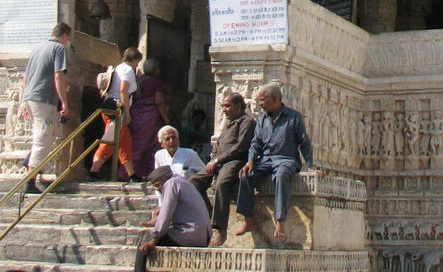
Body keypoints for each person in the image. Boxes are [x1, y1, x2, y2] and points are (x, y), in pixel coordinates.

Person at [236, 82, 323, 240]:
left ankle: (280, 221)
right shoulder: (262, 120)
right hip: (266, 159)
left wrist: (310, 166)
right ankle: (248, 219)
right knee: (245, 176)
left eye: (263, 100)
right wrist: (250, 161)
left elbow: (304, 143)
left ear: (275, 99)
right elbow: (256, 143)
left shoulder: (293, 117)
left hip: (286, 159)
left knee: (281, 176)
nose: (260, 104)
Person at [190, 92, 256, 246]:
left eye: (227, 106)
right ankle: (209, 214)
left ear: (238, 106)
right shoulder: (228, 123)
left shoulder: (247, 121)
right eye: (223, 106)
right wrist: (213, 158)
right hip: (218, 162)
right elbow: (219, 143)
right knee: (193, 181)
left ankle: (220, 229)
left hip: (235, 161)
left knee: (222, 183)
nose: (224, 109)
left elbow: (240, 147)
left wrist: (218, 160)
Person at [21, 22, 72, 194]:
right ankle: (29, 179)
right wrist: (64, 102)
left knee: (50, 133)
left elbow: (25, 78)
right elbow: (59, 76)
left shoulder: (37, 49)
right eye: (68, 39)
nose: (67, 42)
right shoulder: (58, 49)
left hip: (31, 97)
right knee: (43, 137)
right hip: (44, 98)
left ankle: (30, 160)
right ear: (64, 35)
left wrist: (23, 101)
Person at [135, 166, 211, 271]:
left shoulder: (171, 183)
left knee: (143, 244)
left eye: (159, 186)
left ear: (167, 177)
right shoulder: (182, 182)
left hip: (190, 234)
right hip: (202, 236)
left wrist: (153, 240)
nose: (160, 190)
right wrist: (156, 220)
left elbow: (166, 214)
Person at [89, 46, 143, 182]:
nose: (138, 65)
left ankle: (132, 174)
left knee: (124, 142)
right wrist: (128, 113)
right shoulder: (128, 70)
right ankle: (93, 171)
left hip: (111, 107)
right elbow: (123, 90)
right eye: (137, 61)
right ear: (134, 59)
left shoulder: (118, 68)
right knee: (109, 142)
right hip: (118, 110)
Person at [129, 58, 169, 177]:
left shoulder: (139, 81)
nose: (159, 70)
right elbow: (159, 101)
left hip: (136, 116)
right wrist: (166, 119)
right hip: (150, 117)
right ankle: (146, 172)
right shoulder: (156, 82)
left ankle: (132, 171)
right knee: (150, 146)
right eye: (157, 68)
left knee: (137, 144)